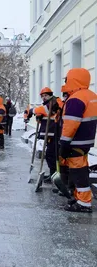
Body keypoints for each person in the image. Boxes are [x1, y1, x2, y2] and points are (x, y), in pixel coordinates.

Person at [59, 68, 97, 213]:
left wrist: (64, 143)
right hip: (86, 141)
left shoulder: (76, 99)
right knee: (81, 170)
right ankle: (79, 197)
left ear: (73, 79)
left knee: (77, 172)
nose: (65, 82)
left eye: (67, 79)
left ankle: (84, 202)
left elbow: (71, 124)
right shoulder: (91, 96)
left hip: (75, 142)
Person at [27, 87, 63, 182]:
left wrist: (32, 111)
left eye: (46, 95)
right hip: (50, 134)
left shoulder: (54, 102)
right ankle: (53, 174)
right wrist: (39, 117)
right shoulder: (50, 103)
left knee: (51, 155)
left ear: (50, 95)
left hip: (55, 133)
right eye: (42, 96)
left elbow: (46, 110)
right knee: (50, 155)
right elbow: (47, 115)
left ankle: (55, 175)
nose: (44, 98)